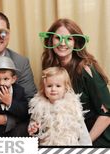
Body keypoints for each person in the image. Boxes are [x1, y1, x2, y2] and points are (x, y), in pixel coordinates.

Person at [40, 18, 110, 146]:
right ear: (50, 40)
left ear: (76, 42)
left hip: (94, 137)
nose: (62, 43)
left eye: (69, 38)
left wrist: (82, 144)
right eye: (58, 38)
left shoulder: (87, 69)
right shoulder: (51, 67)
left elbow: (106, 115)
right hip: (67, 136)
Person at [28, 67, 92, 146]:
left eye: (58, 86)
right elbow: (34, 126)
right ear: (43, 88)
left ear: (65, 88)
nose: (53, 89)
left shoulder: (72, 107)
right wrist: (34, 129)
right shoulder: (39, 107)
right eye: (49, 86)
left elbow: (83, 134)